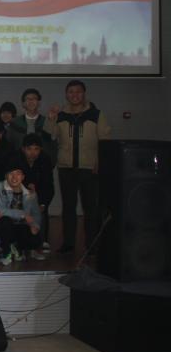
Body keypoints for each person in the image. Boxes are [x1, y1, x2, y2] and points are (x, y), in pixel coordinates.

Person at [46, 80, 111, 254]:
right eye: (71, 92)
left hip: (89, 167)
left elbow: (105, 141)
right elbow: (51, 135)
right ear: (66, 94)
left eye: (78, 91)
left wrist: (100, 162)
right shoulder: (61, 115)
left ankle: (92, 244)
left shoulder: (96, 114)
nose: (74, 95)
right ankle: (68, 243)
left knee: (91, 208)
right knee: (68, 207)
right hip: (66, 167)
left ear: (84, 93)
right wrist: (51, 118)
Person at [0, 162, 45, 265]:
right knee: (4, 221)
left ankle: (17, 248)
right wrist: (22, 214)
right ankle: (6, 253)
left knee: (36, 240)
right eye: (11, 174)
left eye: (18, 174)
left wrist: (35, 226)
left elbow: (36, 213)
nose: (14, 177)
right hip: (3, 226)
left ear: (23, 177)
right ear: (6, 176)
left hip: (21, 225)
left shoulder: (29, 193)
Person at [10, 133, 55, 250]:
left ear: (41, 150)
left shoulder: (45, 160)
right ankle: (16, 241)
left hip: (38, 194)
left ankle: (42, 240)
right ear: (23, 149)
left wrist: (43, 204)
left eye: (36, 149)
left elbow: (48, 185)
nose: (32, 153)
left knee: (41, 210)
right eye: (29, 149)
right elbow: (10, 182)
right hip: (18, 194)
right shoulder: (15, 159)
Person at [8, 88, 56, 161]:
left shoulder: (47, 122)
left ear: (39, 103)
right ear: (23, 104)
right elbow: (9, 145)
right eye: (28, 99)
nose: (31, 101)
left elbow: (53, 145)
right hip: (19, 162)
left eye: (34, 98)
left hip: (42, 163)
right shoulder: (15, 122)